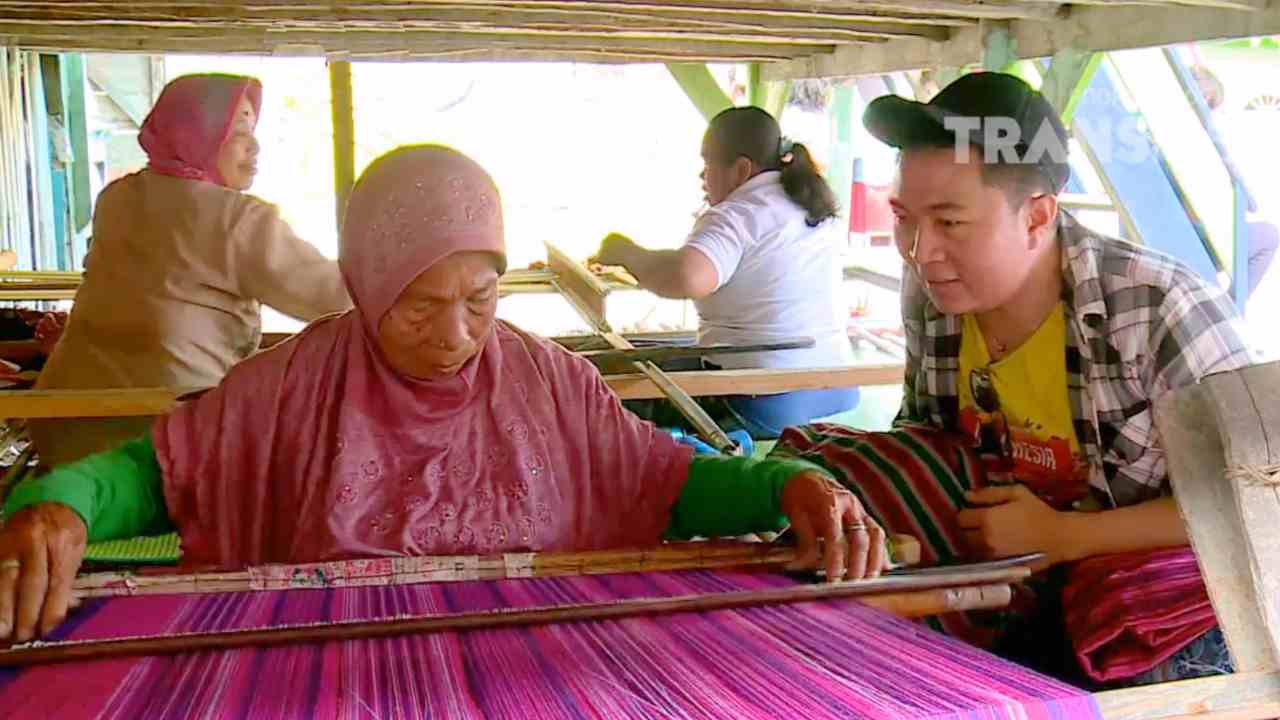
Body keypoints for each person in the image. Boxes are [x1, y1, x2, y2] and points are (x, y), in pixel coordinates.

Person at [0, 145, 888, 643]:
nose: (457, 336)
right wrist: (60, 508)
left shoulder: (548, 382)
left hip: (540, 670)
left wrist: (784, 486)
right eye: (417, 306)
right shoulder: (292, 387)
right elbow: (153, 474)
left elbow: (666, 478)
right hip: (329, 670)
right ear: (367, 283)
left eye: (480, 300)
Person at [851, 72, 1251, 685]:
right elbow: (926, 442)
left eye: (950, 223)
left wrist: (1065, 536)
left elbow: (1255, 499)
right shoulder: (936, 295)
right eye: (905, 218)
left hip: (1148, 591)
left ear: (1037, 217)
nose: (919, 250)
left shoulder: (1157, 306)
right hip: (1019, 569)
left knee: (1133, 649)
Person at [27, 74, 351, 468]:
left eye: (253, 130)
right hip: (161, 445)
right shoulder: (236, 219)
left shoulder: (116, 197)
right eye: (237, 131)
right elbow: (339, 300)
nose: (254, 144)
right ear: (196, 134)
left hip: (63, 430)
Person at [593, 106, 858, 440]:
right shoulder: (810, 207)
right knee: (660, 353)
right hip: (836, 388)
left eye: (708, 164)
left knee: (598, 388)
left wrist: (626, 253)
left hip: (763, 401)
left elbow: (686, 277)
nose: (701, 176)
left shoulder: (741, 212)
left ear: (741, 169)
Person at [1188, 62, 1278, 302]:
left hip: (1190, 227)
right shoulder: (1197, 141)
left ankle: (1227, 303)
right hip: (1199, 234)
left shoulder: (1158, 134)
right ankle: (1230, 305)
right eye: (1208, 101)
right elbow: (1249, 204)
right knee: (1269, 236)